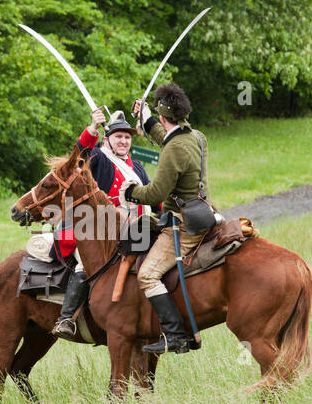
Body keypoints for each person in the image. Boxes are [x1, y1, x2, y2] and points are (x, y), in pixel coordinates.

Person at [121, 82, 214, 354]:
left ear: (165, 117)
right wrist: (147, 119)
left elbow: (155, 193)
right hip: (205, 209)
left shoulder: (174, 148)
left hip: (183, 224)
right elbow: (170, 138)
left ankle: (175, 335)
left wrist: (130, 191)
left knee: (147, 275)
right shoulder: (197, 137)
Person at [52, 108, 153, 337]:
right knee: (83, 263)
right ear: (108, 140)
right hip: (102, 229)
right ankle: (66, 318)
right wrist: (93, 128)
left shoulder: (137, 167)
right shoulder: (98, 157)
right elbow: (77, 158)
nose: (124, 141)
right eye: (118, 136)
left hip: (137, 228)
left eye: (127, 137)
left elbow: (152, 198)